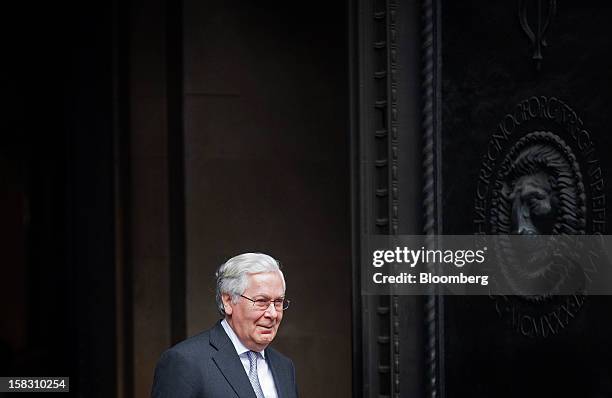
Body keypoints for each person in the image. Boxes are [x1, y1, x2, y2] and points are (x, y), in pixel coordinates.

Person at [151, 253, 297, 398]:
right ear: (228, 301)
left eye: (278, 302)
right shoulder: (185, 362)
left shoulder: (284, 367)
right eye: (261, 301)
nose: (273, 314)